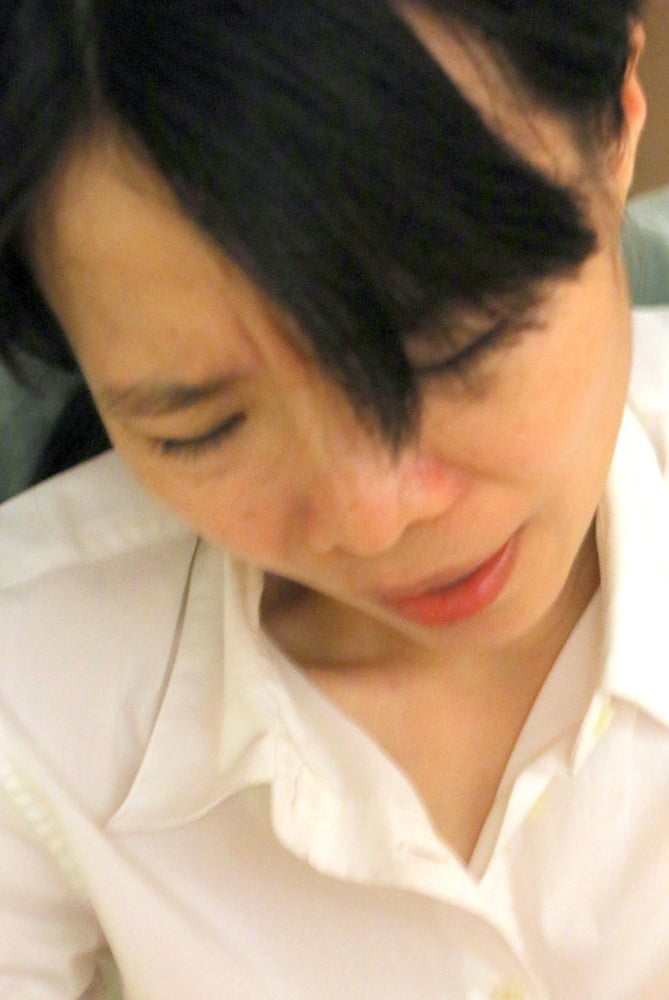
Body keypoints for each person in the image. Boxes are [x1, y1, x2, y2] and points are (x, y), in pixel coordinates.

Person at [0, 0, 667, 996]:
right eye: (205, 428)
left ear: (614, 124)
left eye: (453, 348)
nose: (373, 515)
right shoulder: (33, 679)